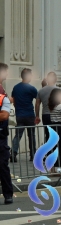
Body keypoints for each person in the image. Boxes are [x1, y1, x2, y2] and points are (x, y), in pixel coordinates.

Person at [10, 68, 38, 162]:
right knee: (31, 135)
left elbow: (14, 101)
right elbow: (38, 99)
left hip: (20, 115)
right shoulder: (31, 88)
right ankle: (33, 155)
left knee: (18, 135)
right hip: (30, 114)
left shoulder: (16, 87)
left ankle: (13, 153)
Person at [35, 72, 61, 141]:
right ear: (56, 79)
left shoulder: (41, 91)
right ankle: (60, 150)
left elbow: (37, 104)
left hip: (45, 115)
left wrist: (37, 116)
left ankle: (50, 151)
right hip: (58, 115)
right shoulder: (59, 90)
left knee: (48, 135)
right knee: (60, 135)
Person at [0, 63, 13, 204]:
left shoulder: (2, 92)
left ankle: (8, 194)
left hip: (1, 133)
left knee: (2, 164)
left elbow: (4, 115)